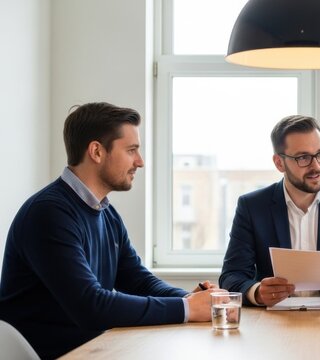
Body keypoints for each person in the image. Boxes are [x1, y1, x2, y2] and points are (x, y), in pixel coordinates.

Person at [0, 102, 222, 359]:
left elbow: (137, 280)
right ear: (96, 151)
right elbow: (91, 305)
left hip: (93, 350)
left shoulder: (106, 213)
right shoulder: (49, 213)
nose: (139, 162)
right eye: (131, 150)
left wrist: (194, 299)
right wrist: (186, 308)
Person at [219, 115, 320, 307]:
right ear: (279, 163)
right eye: (303, 157)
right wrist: (256, 292)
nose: (316, 166)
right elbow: (231, 276)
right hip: (273, 322)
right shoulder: (252, 207)